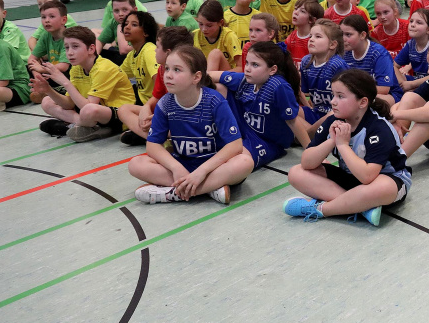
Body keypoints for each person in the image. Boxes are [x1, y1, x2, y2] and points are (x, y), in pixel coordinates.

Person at [129, 45, 254, 205]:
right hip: (183, 164)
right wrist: (175, 167)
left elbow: (235, 145)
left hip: (214, 166)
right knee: (136, 164)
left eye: (177, 70)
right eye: (167, 69)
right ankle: (210, 188)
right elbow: (153, 146)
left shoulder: (214, 101)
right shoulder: (165, 104)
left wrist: (202, 172)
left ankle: (172, 193)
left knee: (245, 162)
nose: (168, 75)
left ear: (196, 77)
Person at [285, 69, 412, 226]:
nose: (333, 101)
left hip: (386, 179)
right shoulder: (333, 120)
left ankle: (322, 209)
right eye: (333, 95)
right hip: (350, 176)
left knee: (383, 187)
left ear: (362, 102)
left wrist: (342, 144)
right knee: (296, 173)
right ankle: (361, 208)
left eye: (340, 96)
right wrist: (332, 140)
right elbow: (307, 162)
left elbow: (367, 177)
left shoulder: (379, 128)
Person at [215, 42, 306, 168]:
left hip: (266, 141)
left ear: (272, 70)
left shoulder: (278, 86)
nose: (247, 68)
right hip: (243, 128)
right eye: (247, 63)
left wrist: (310, 151)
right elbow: (208, 75)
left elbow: (293, 122)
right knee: (217, 87)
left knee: (238, 161)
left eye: (255, 65)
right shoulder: (246, 79)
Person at [116, 26, 193, 146]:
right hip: (167, 117)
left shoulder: (186, 74)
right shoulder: (162, 70)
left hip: (184, 119)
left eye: (157, 47)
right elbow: (156, 97)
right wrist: (146, 108)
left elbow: (185, 109)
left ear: (168, 52)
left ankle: (155, 138)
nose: (155, 51)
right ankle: (160, 139)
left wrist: (158, 117)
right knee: (124, 110)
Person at [340, 14, 403, 105]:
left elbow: (384, 89)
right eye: (341, 34)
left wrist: (353, 90)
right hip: (357, 93)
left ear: (362, 35)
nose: (343, 39)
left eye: (348, 34)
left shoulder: (379, 53)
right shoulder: (345, 53)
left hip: (389, 96)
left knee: (361, 101)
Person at [298, 19, 348, 131]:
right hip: (316, 113)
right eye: (310, 36)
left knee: (330, 115)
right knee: (289, 110)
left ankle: (308, 135)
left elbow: (347, 99)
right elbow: (307, 94)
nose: (311, 39)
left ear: (332, 44)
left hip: (336, 115)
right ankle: (311, 135)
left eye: (318, 36)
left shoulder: (337, 65)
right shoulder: (306, 62)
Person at [194, 0, 241, 72]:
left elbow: (241, 68)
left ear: (220, 22)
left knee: (215, 54)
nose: (204, 29)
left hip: (226, 78)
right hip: (203, 75)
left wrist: (218, 76)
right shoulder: (194, 35)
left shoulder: (229, 36)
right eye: (200, 24)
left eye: (209, 25)